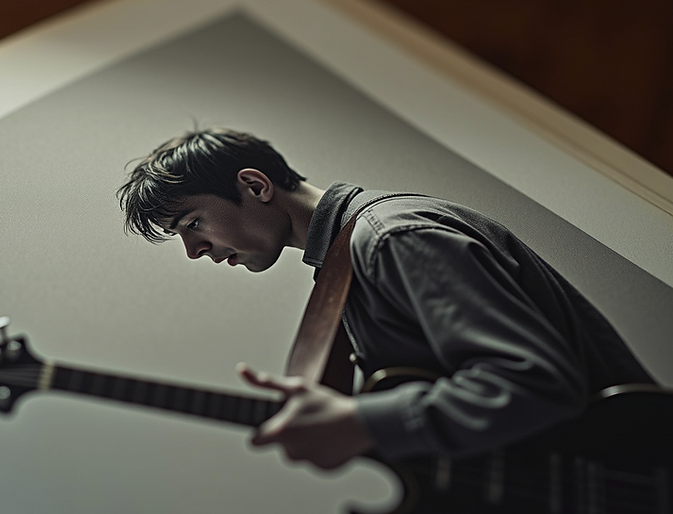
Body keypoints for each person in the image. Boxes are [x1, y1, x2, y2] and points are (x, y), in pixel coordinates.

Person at [117, 128, 654, 470]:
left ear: (255, 186)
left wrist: (364, 423)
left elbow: (535, 381)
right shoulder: (349, 260)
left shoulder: (390, 237)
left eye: (192, 224)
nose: (194, 251)